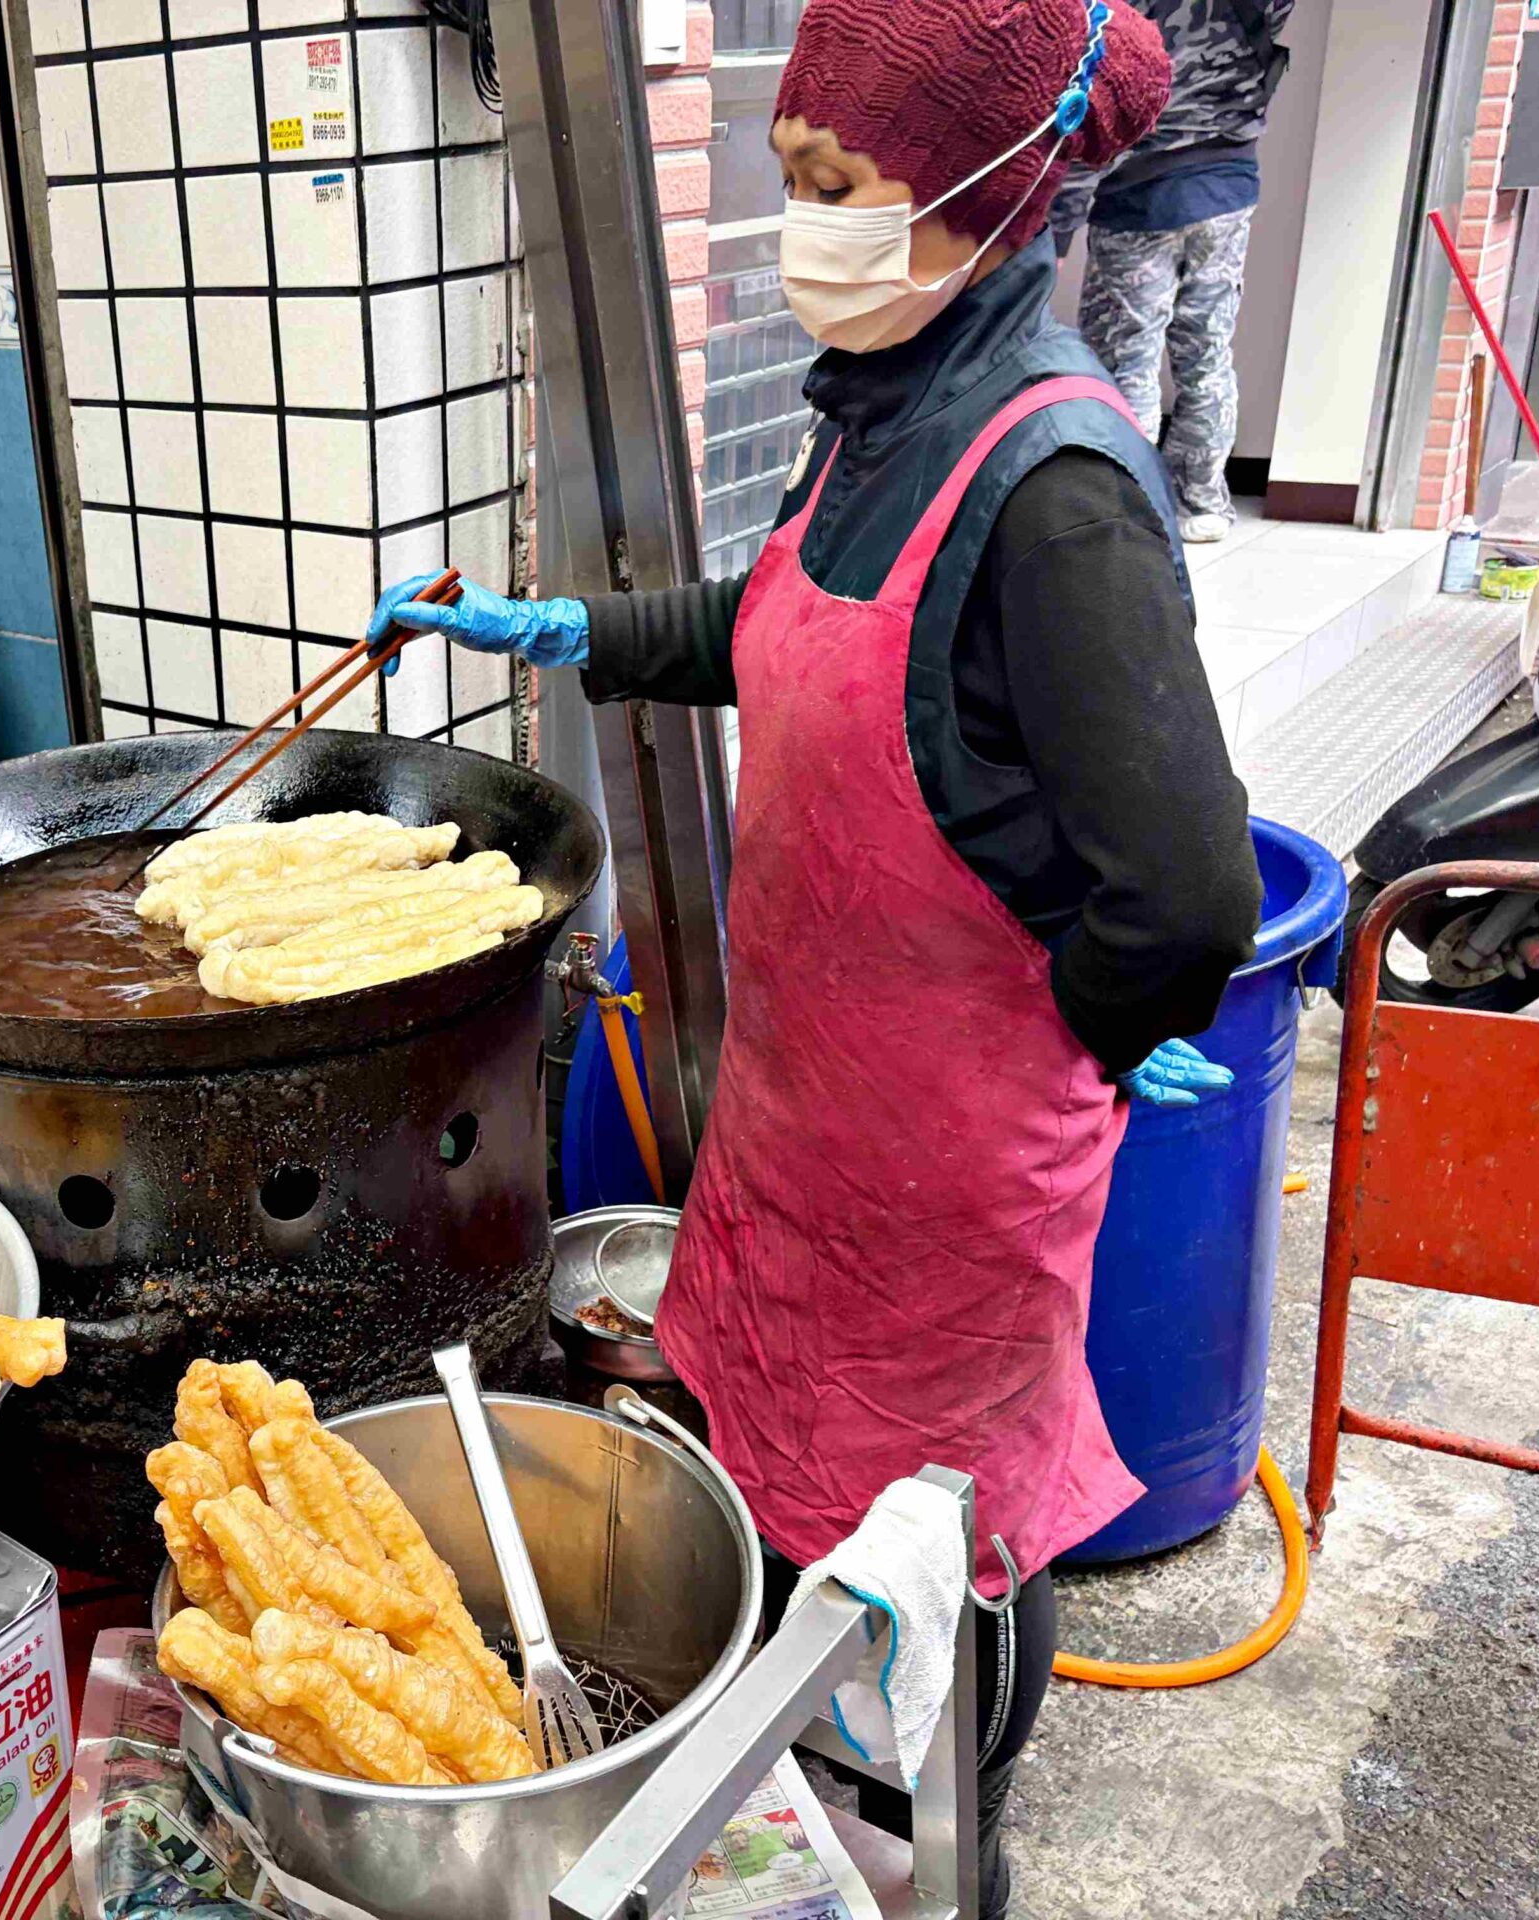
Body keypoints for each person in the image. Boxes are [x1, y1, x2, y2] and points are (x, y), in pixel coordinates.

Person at [364, 0, 1260, 1908]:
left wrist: (1086, 1034)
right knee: (795, 1494)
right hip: (805, 1123)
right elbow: (772, 625)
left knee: (938, 1547)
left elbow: (1182, 895)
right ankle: (823, 1819)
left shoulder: (1063, 490)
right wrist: (562, 633)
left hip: (948, 1173)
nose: (803, 230)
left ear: (976, 189)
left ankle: (952, 1850)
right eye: (788, 183)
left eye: (835, 186)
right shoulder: (883, 406)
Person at [1052, 0, 1294, 541]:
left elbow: (1087, 97)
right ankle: (1202, 502)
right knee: (1206, 351)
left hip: (1139, 197)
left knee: (1124, 359)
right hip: (1229, 187)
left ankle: (1128, 509)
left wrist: (1057, 235)